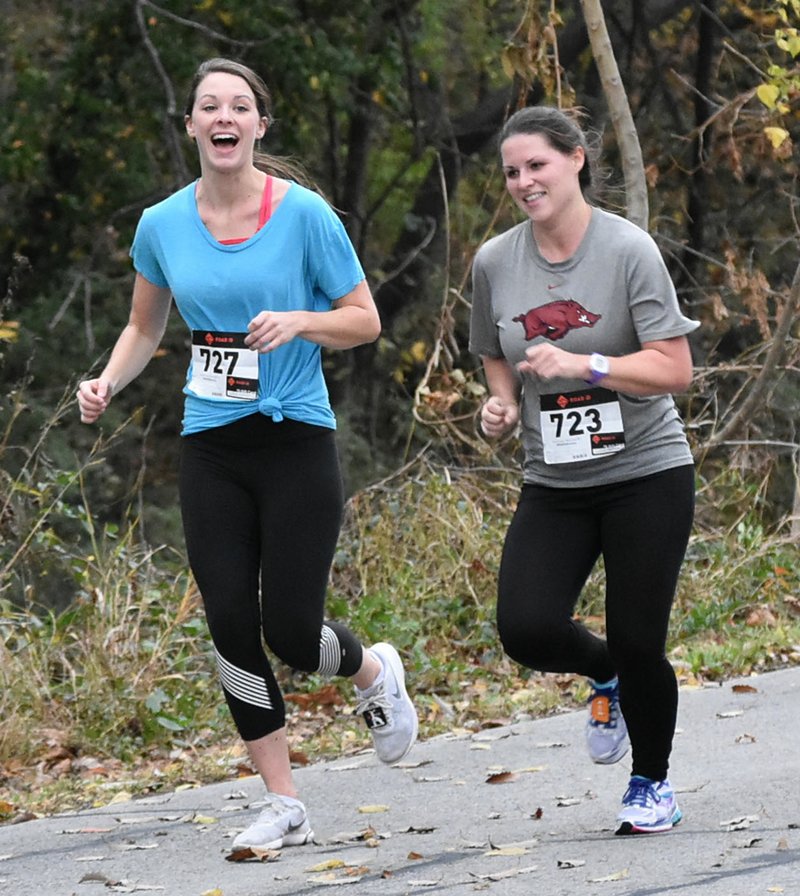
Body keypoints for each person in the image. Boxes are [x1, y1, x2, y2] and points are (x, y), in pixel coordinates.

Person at [77, 57, 418, 853]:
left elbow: (364, 319)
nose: (223, 117)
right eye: (208, 106)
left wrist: (299, 322)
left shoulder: (305, 217)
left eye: (239, 106)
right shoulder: (161, 224)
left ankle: (372, 673)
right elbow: (145, 327)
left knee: (293, 631)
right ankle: (283, 800)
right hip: (212, 443)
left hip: (296, 436)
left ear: (259, 126)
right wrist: (107, 382)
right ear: (192, 126)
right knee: (231, 620)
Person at [469, 106, 698, 835]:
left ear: (575, 161)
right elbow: (493, 348)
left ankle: (651, 783)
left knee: (641, 636)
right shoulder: (496, 261)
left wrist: (588, 363)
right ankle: (608, 677)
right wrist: (501, 403)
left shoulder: (628, 251)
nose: (523, 181)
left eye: (536, 164)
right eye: (511, 171)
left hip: (646, 473)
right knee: (525, 627)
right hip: (556, 482)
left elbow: (675, 368)